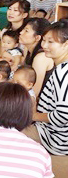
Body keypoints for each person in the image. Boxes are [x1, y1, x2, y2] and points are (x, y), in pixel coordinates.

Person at [33, 19, 68, 155]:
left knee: (0, 133)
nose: (44, 45)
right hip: (54, 132)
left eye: (51, 42)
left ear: (66, 44)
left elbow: (63, 114)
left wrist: (34, 116)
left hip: (54, 138)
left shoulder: (63, 72)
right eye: (44, 40)